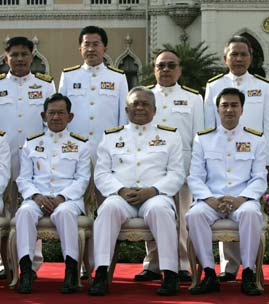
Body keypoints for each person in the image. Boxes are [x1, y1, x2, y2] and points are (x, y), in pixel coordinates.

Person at [88, 87, 185, 296]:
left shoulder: (170, 136)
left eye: (145, 104)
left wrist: (153, 190)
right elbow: (101, 174)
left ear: (155, 109)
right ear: (126, 109)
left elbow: (177, 173)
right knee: (107, 210)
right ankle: (102, 273)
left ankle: (170, 274)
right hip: (122, 197)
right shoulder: (111, 136)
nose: (140, 108)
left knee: (161, 211)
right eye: (135, 104)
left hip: (155, 196)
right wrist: (120, 190)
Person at [203, 35, 269, 282]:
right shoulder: (214, 86)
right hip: (220, 159)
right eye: (233, 54)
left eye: (243, 54)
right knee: (223, 201)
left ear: (251, 58)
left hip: (251, 160)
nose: (238, 58)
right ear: (225, 58)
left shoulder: (264, 87)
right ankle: (229, 266)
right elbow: (207, 126)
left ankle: (250, 267)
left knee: (247, 211)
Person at [186, 87, 266, 296]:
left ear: (242, 109)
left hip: (242, 199)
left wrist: (242, 199)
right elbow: (195, 176)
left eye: (234, 105)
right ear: (217, 109)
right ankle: (209, 272)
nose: (229, 110)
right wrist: (209, 199)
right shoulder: (203, 139)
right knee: (194, 214)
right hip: (212, 199)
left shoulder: (255, 139)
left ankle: (248, 272)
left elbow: (259, 177)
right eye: (225, 105)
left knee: (251, 213)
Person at [134, 49, 204, 283]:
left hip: (182, 166)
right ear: (154, 69)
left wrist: (197, 168)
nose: (165, 70)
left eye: (171, 66)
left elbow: (199, 136)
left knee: (183, 216)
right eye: (161, 66)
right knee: (154, 213)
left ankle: (183, 263)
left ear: (179, 70)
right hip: (150, 166)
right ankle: (153, 263)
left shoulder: (193, 98)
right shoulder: (143, 96)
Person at [15, 93, 90, 294]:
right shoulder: (31, 143)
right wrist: (36, 196)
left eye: (61, 113)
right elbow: (23, 178)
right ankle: (26, 271)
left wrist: (60, 198)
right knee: (24, 213)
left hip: (67, 199)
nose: (56, 117)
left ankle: (71, 270)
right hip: (37, 197)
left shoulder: (81, 144)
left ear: (70, 117)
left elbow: (82, 179)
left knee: (64, 213)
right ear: (43, 115)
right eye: (52, 113)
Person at [0, 36, 55, 279]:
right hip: (4, 160)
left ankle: (31, 263)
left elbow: (52, 123)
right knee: (4, 213)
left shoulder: (45, 85)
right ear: (6, 58)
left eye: (24, 54)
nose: (20, 59)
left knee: (31, 209)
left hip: (35, 161)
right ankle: (4, 263)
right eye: (15, 55)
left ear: (32, 57)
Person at [59, 25, 128, 159]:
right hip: (73, 148)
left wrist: (120, 144)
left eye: (96, 44)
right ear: (80, 49)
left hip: (107, 148)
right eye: (87, 45)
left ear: (104, 48)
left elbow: (123, 116)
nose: (91, 49)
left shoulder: (118, 77)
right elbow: (61, 112)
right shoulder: (68, 76)